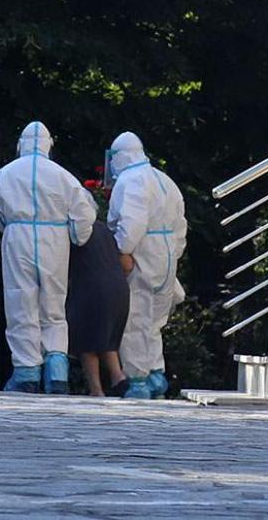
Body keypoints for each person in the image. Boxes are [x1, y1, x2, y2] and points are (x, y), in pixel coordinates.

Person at [0, 122, 97, 394]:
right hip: (54, 240)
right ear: (49, 145)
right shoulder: (63, 176)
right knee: (54, 305)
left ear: (20, 144)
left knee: (20, 301)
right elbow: (84, 213)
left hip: (19, 237)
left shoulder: (6, 173)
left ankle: (26, 371)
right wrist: (76, 235)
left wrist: (13, 227)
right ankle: (57, 372)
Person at [106, 132, 187, 399]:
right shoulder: (164, 180)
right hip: (166, 256)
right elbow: (181, 225)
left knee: (135, 319)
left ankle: (138, 380)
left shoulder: (130, 180)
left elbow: (132, 223)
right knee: (154, 323)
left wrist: (122, 250)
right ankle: (156, 375)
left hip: (142, 253)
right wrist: (173, 254)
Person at [65, 219, 130, 397]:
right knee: (105, 336)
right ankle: (118, 377)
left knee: (85, 339)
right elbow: (124, 263)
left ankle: (96, 389)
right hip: (119, 288)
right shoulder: (103, 229)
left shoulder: (75, 230)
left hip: (92, 286)